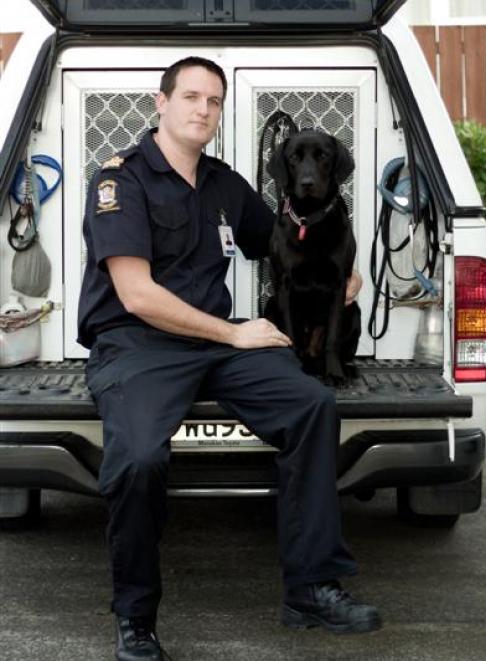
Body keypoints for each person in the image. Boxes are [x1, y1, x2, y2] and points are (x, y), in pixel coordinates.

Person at [77, 56, 380, 661]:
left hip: (215, 342)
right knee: (137, 460)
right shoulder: (121, 180)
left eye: (213, 101)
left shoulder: (223, 184)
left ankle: (310, 588)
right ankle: (135, 617)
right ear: (161, 104)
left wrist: (344, 267)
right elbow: (137, 296)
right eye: (190, 96)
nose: (203, 109)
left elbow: (286, 239)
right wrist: (234, 333)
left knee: (313, 405)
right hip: (138, 343)